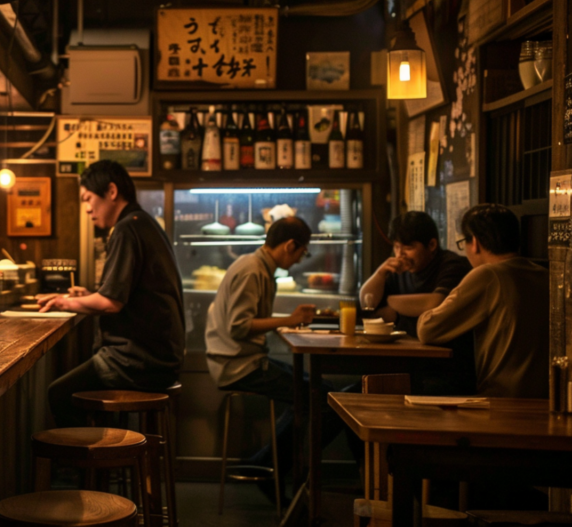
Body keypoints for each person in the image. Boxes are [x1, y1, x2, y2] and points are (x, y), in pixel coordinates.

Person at [41, 160, 185, 428]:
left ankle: (87, 466)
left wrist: (65, 301)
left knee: (59, 394)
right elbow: (123, 294)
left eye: (88, 198)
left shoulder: (126, 229)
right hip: (161, 360)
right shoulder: (144, 222)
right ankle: (101, 458)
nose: (86, 208)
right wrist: (87, 295)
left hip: (138, 363)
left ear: (111, 191)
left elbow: (111, 303)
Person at [204, 217, 343, 481]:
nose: (301, 260)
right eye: (303, 252)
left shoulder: (259, 267)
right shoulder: (252, 270)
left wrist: (289, 322)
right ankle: (279, 470)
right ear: (290, 245)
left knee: (318, 389)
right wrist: (289, 320)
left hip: (244, 360)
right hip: (238, 366)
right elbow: (239, 327)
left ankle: (269, 464)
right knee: (321, 397)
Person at [417, 204, 548, 398]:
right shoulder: (544, 275)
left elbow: (428, 329)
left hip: (500, 401)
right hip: (548, 400)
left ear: (475, 242)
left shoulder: (488, 275)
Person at [359, 211, 476, 394]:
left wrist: (393, 306)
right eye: (396, 247)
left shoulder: (452, 265)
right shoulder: (399, 269)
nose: (400, 255)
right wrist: (380, 273)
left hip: (447, 370)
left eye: (408, 247)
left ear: (431, 245)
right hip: (408, 365)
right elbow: (368, 303)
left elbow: (435, 304)